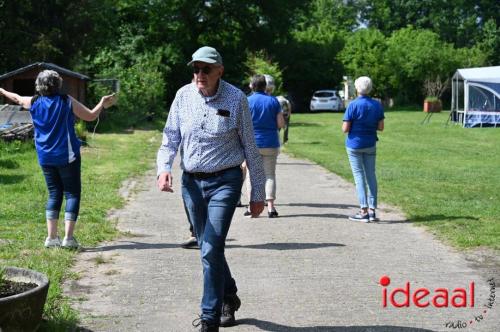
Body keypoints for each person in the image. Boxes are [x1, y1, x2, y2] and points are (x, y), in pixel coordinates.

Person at [156, 46, 265, 332]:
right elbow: (170, 137)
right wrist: (164, 168)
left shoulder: (236, 98)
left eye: (206, 69)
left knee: (211, 247)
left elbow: (251, 149)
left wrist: (257, 194)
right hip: (191, 183)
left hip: (225, 181)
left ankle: (209, 318)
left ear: (220, 71)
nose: (199, 74)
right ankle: (228, 294)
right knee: (209, 248)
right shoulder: (183, 96)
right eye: (195, 69)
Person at [0, 70, 116, 248]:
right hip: (67, 156)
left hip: (45, 157)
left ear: (39, 85)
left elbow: (16, 98)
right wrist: (102, 102)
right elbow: (91, 116)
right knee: (72, 194)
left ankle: (51, 238)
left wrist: (2, 90)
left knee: (54, 193)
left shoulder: (34, 102)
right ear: (58, 84)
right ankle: (68, 239)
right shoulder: (66, 101)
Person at [342, 76, 384, 222]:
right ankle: (372, 210)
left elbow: (345, 128)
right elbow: (381, 127)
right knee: (371, 175)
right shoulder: (377, 105)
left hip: (354, 144)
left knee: (359, 176)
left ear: (357, 88)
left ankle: (363, 210)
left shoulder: (353, 105)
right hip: (370, 143)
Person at [244, 74, 284, 218]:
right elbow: (280, 124)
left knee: (251, 175)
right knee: (269, 175)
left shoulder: (246, 101)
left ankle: (251, 206)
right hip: (270, 142)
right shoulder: (273, 101)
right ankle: (271, 208)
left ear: (251, 86)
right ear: (265, 86)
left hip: (252, 143)